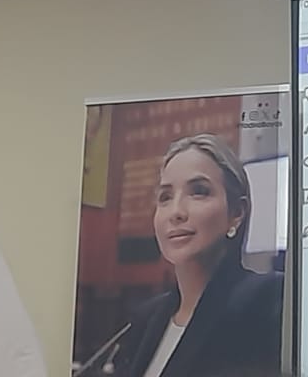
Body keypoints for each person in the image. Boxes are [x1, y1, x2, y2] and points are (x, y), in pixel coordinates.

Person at [114, 134, 284, 377]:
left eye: (198, 192)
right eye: (165, 197)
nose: (176, 212)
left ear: (236, 213)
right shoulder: (145, 319)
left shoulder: (268, 300)